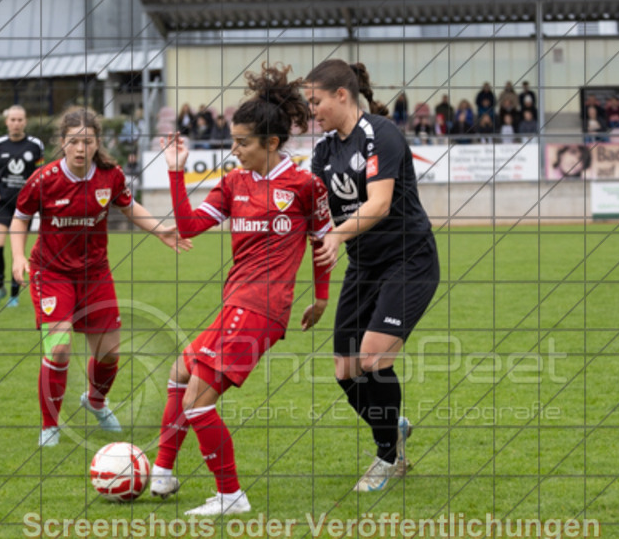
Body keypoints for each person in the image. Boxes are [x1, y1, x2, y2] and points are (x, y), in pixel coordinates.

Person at [152, 64, 332, 515]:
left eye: (243, 143)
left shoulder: (305, 186)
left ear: (272, 143)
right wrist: (176, 173)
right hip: (236, 302)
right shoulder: (234, 184)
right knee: (179, 373)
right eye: (233, 141)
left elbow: (321, 241)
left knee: (196, 402)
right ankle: (162, 471)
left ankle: (231, 496)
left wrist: (322, 297)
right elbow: (191, 225)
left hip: (262, 308)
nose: (233, 151)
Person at [10, 107, 190, 448]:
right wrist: (18, 257)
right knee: (59, 348)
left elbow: (128, 206)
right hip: (52, 274)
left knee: (109, 353)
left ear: (97, 143)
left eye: (88, 141)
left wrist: (159, 231)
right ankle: (50, 425)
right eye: (74, 141)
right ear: (62, 143)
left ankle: (95, 401)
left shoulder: (110, 176)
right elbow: (20, 218)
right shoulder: (44, 179)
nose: (81, 148)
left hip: (95, 274)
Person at [302, 59, 440, 493]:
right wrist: (320, 295)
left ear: (341, 95)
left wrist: (339, 236)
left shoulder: (381, 134)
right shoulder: (323, 151)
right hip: (364, 266)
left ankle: (387, 456)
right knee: (345, 370)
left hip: (409, 258)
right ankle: (392, 425)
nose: (312, 110)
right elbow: (315, 218)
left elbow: (379, 204)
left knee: (374, 357)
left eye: (316, 101)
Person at [0, 105, 45, 308]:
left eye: (20, 120)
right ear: (6, 122)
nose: (16, 123)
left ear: (25, 122)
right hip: (2, 203)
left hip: (24, 207)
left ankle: (13, 294)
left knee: (16, 251)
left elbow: (40, 174)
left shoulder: (35, 145)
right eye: (13, 120)